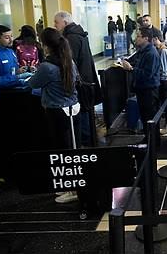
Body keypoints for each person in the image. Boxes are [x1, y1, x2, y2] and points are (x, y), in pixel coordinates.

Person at [28, 27, 80, 204]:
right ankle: (71, 186)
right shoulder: (69, 61)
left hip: (56, 111)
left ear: (45, 45)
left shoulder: (47, 66)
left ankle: (72, 189)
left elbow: (32, 83)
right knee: (70, 149)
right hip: (71, 110)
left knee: (62, 151)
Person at [0, 25, 29, 197]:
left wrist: (22, 72)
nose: (11, 40)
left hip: (10, 101)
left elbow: (13, 71)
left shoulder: (10, 52)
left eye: (11, 36)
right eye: (6, 37)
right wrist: (15, 78)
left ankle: (8, 170)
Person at [54, 11, 102, 148]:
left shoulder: (71, 38)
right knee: (85, 112)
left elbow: (70, 63)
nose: (55, 25)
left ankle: (85, 148)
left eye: (56, 22)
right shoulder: (79, 35)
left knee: (82, 115)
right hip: (86, 80)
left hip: (80, 83)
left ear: (65, 22)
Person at [120, 28, 161, 145]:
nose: (136, 39)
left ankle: (153, 141)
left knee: (150, 116)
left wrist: (131, 69)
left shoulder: (151, 53)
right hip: (142, 89)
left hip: (149, 90)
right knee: (144, 116)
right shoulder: (142, 51)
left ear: (146, 38)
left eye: (138, 36)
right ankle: (148, 138)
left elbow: (148, 74)